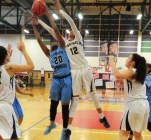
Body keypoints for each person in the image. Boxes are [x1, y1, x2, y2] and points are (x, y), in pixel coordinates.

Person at [40, 1, 110, 139]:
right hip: (74, 72)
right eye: (71, 31)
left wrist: (60, 11)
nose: (70, 31)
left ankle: (102, 117)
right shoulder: (64, 44)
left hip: (85, 69)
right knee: (75, 100)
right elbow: (51, 30)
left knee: (93, 94)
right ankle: (68, 130)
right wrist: (40, 22)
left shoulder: (78, 38)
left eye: (73, 30)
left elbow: (71, 21)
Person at [32, 9, 72, 138]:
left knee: (65, 107)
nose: (52, 42)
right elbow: (39, 41)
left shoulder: (62, 47)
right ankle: (52, 124)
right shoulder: (49, 54)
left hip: (66, 79)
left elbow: (55, 30)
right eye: (51, 42)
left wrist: (48, 15)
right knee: (53, 104)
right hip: (56, 80)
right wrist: (34, 26)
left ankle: (65, 130)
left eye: (54, 41)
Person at [0, 41, 34, 140]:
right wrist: (23, 50)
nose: (9, 53)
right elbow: (31, 66)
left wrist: (6, 58)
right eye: (7, 53)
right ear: (4, 57)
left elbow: (2, 68)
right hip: (3, 109)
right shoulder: (9, 68)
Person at [109, 54, 149, 140]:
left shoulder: (132, 71)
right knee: (137, 134)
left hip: (134, 105)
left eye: (128, 58)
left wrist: (111, 62)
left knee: (123, 133)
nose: (126, 59)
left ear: (132, 62)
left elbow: (118, 75)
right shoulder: (137, 72)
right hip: (144, 105)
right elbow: (121, 78)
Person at [129, 63, 151, 140]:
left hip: (149, 103)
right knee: (138, 122)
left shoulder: (147, 78)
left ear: (147, 69)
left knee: (139, 123)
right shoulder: (144, 77)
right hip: (146, 103)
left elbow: (140, 84)